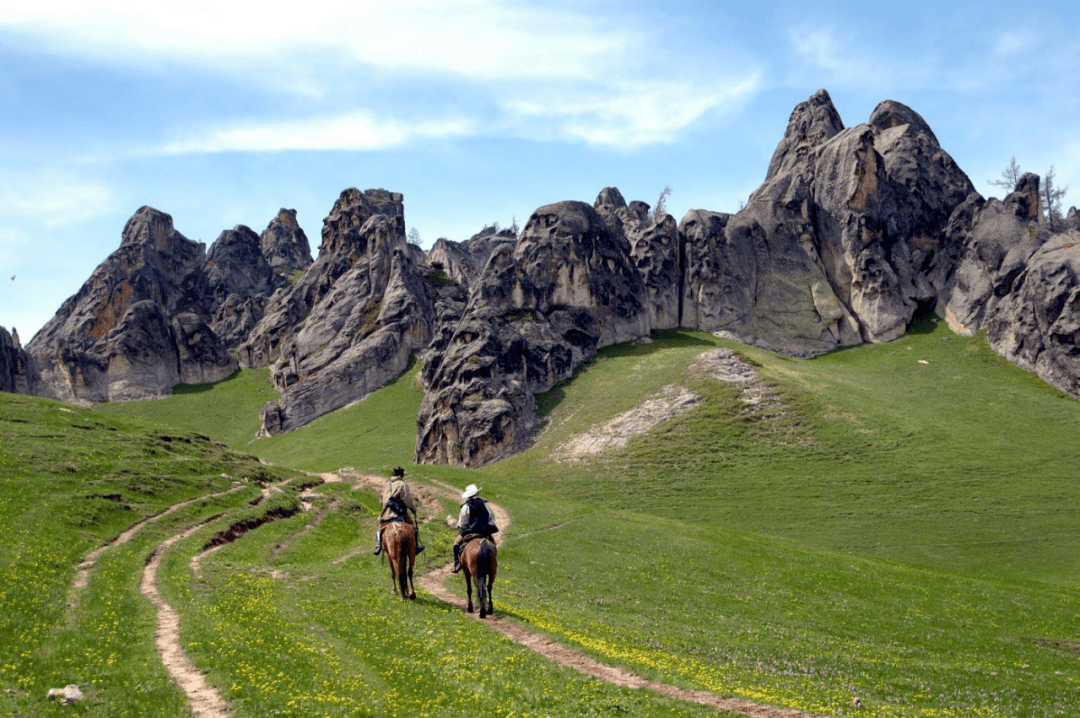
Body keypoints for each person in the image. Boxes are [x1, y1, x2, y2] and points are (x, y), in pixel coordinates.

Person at [373, 466, 424, 555]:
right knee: (413, 525)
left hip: (385, 513)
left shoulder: (387, 484)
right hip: (398, 513)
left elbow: (381, 499)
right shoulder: (402, 484)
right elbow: (407, 500)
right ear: (402, 475)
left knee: (380, 527)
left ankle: (378, 545)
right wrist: (414, 511)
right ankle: (415, 547)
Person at [451, 483, 498, 573]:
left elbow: (462, 522)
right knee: (493, 545)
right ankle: (494, 562)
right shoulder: (485, 504)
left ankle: (457, 564)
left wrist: (460, 527)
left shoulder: (466, 506)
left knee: (456, 543)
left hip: (470, 531)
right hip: (484, 531)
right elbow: (491, 516)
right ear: (477, 494)